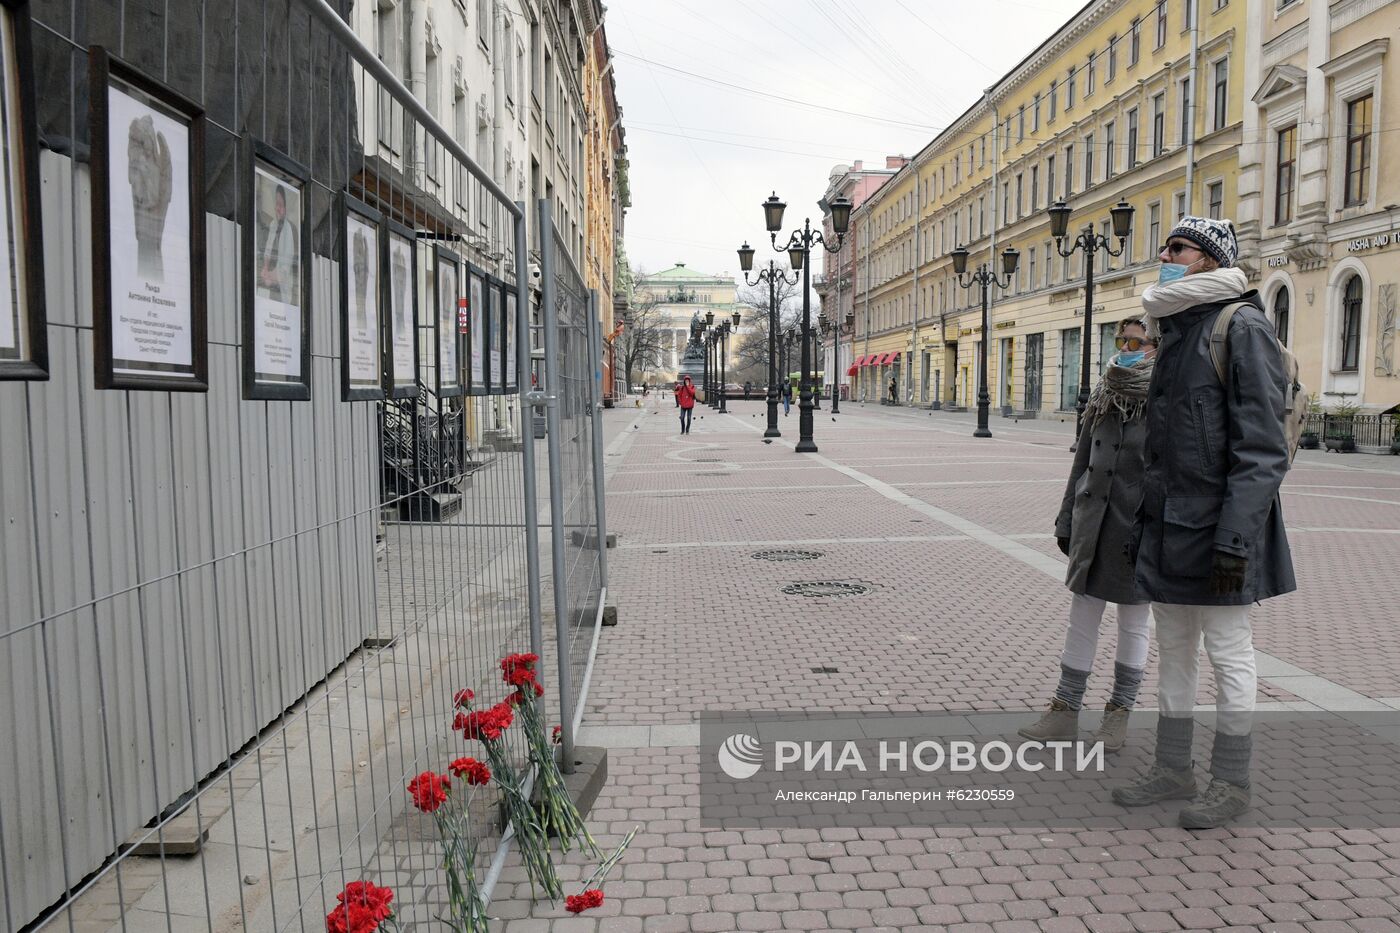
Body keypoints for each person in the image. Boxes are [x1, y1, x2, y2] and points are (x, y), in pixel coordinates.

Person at [1112, 217, 1295, 830]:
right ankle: (1172, 768)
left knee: (1229, 653)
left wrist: (1236, 540)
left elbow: (1262, 447)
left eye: (1179, 248)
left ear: (1210, 261)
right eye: (1165, 245)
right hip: (1169, 524)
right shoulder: (1175, 328)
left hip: (1219, 530)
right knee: (1175, 650)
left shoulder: (1239, 326)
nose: (1165, 255)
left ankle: (1232, 780)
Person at [1020, 318, 1157, 752]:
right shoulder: (1105, 391)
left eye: (1139, 340)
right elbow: (1081, 462)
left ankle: (1118, 715)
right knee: (1082, 617)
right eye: (1123, 339)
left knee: (1134, 622)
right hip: (1092, 521)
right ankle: (1065, 711)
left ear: (1157, 347)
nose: (1128, 346)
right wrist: (1066, 520)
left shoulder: (1165, 397)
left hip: (1136, 527)